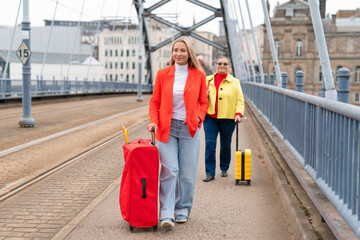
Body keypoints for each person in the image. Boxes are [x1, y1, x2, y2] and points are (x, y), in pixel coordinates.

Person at [146, 37, 208, 229]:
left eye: (182, 50)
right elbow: (155, 102)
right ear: (172, 53)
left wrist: (198, 118)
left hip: (189, 129)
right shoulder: (163, 74)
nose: (178, 54)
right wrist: (153, 121)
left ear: (189, 53)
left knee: (187, 174)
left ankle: (182, 208)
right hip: (167, 129)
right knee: (169, 171)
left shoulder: (198, 75)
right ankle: (166, 213)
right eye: (175, 50)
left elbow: (204, 102)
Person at [203, 56, 245, 182]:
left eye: (225, 64)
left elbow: (240, 100)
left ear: (229, 67)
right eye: (220, 63)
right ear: (216, 65)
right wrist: (204, 96)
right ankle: (210, 173)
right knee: (210, 145)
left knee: (225, 145)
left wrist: (238, 114)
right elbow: (199, 97)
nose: (222, 65)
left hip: (228, 118)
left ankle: (224, 167)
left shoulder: (234, 82)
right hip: (210, 118)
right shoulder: (207, 80)